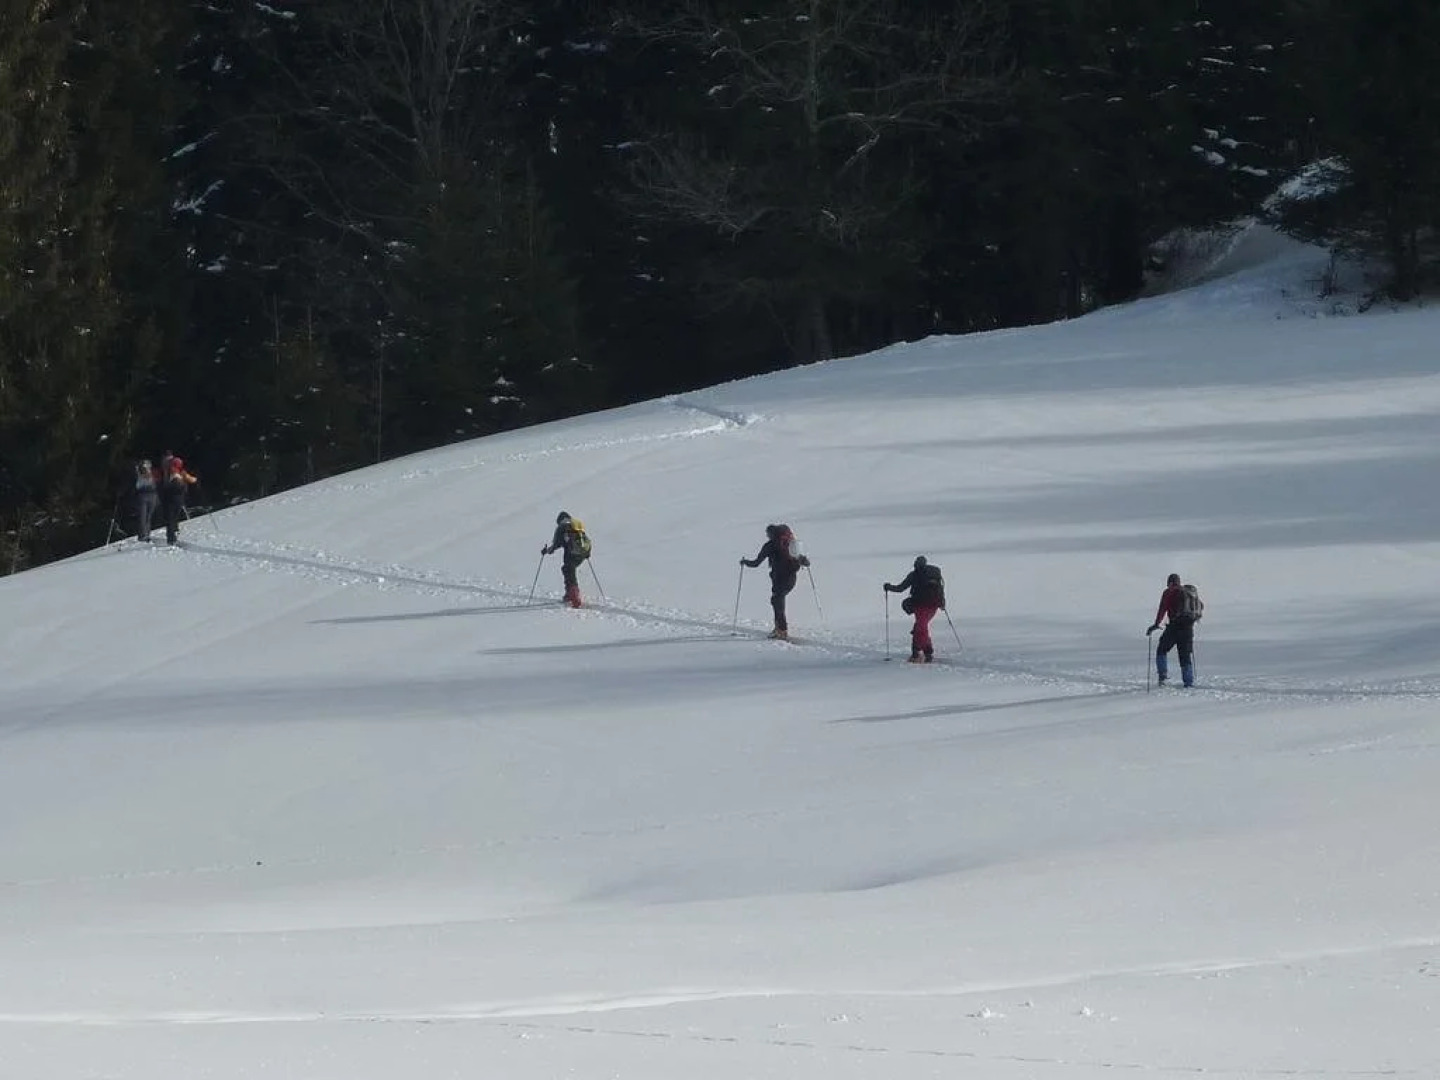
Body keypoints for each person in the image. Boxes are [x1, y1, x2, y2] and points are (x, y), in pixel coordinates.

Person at [740, 524, 810, 640]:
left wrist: (745, 562)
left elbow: (756, 563)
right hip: (791, 579)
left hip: (779, 579)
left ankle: (781, 631)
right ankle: (779, 628)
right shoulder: (791, 543)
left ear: (771, 534)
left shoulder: (770, 545)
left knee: (777, 602)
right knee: (776, 601)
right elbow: (801, 559)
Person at [884, 555, 946, 662]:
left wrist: (888, 587)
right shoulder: (935, 573)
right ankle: (919, 651)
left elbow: (900, 588)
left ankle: (924, 652)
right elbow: (940, 589)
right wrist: (942, 602)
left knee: (920, 628)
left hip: (920, 606)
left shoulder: (914, 575)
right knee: (920, 626)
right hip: (934, 606)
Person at [1147, 572, 1201, 687]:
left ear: (1169, 582)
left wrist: (1156, 624)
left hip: (1174, 626)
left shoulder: (1168, 593)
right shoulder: (1189, 592)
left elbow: (1162, 609)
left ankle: (1162, 677)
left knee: (1161, 649)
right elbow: (1201, 606)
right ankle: (1188, 682)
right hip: (1188, 627)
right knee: (1185, 655)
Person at [541, 511, 591, 608]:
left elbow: (555, 546)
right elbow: (585, 540)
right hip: (583, 553)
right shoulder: (577, 526)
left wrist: (546, 551)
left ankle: (573, 595)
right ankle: (571, 593)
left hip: (571, 554)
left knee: (567, 570)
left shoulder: (562, 528)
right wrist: (587, 554)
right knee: (569, 569)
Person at [159, 452, 198, 546]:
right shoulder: (181, 471)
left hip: (169, 494)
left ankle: (171, 538)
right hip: (180, 495)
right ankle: (174, 532)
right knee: (175, 514)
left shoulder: (167, 469)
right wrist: (196, 480)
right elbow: (192, 480)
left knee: (170, 516)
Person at [134, 459, 160, 542]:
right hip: (143, 495)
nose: (146, 469)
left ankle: (146, 534)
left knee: (147, 516)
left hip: (152, 494)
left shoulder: (153, 473)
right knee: (143, 516)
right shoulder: (138, 473)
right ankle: (143, 535)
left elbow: (157, 480)